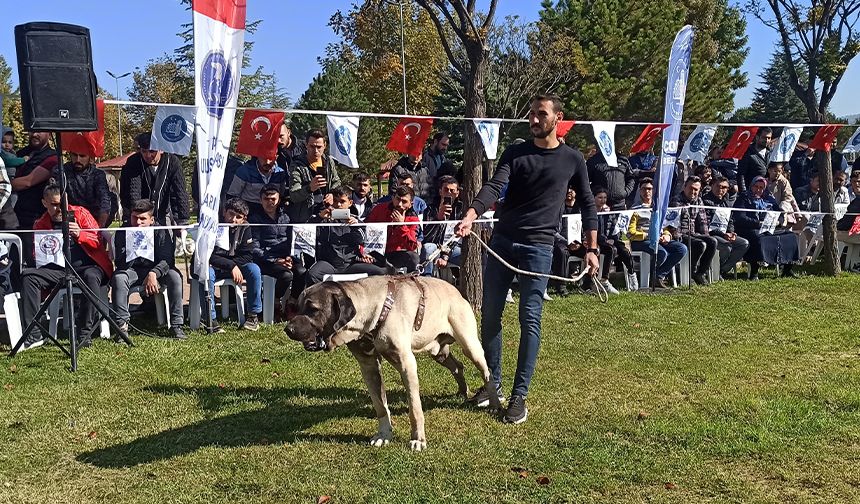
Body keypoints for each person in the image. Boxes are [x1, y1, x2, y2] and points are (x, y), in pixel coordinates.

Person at [454, 94, 600, 425]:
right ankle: (493, 384)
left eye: (541, 114)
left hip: (539, 248)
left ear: (557, 118)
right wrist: (472, 213)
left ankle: (519, 396)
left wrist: (592, 248)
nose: (534, 120)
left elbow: (588, 204)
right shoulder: (516, 152)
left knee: (529, 319)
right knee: (490, 316)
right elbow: (494, 186)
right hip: (503, 242)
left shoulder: (572, 159)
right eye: (531, 114)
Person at [19, 184, 112, 350]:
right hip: (59, 270)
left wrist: (80, 234)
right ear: (44, 203)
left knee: (91, 277)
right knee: (29, 276)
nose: (59, 208)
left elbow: (99, 240)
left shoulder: (80, 213)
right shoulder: (41, 224)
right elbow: (35, 255)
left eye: (62, 204)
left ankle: (84, 333)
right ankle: (33, 335)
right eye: (54, 204)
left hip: (88, 265)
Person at [112, 199, 185, 340]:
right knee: (119, 278)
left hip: (156, 270)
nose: (138, 222)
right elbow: (120, 263)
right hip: (132, 270)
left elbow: (167, 260)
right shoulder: (122, 232)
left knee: (175, 277)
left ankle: (177, 325)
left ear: (152, 220)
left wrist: (153, 273)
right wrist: (134, 248)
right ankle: (122, 326)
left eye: (142, 219)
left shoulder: (161, 231)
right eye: (135, 218)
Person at [198, 198, 262, 332]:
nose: (233, 220)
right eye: (231, 214)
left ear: (244, 219)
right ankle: (210, 318)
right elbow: (207, 255)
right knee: (207, 274)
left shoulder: (246, 228)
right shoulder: (212, 225)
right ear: (224, 212)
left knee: (254, 269)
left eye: (239, 217)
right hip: (213, 266)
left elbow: (248, 255)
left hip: (235, 266)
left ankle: (253, 315)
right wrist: (231, 266)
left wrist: (233, 265)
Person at [304, 186, 387, 286]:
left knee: (380, 273)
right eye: (335, 201)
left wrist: (356, 226)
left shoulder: (357, 222)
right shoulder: (323, 219)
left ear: (350, 203)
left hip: (351, 264)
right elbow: (306, 232)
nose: (338, 204)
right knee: (312, 274)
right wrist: (319, 218)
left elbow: (362, 241)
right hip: (329, 264)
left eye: (342, 201)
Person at [733, 176, 799, 280]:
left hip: (770, 228)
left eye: (761, 187)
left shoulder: (769, 198)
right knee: (758, 239)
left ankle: (787, 269)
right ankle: (754, 271)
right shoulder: (744, 198)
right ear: (751, 186)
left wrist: (779, 221)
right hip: (750, 228)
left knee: (790, 236)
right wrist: (758, 223)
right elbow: (740, 217)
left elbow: (780, 213)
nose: (758, 190)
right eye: (756, 187)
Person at [120, 132, 190, 228]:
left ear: (161, 150)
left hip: (163, 214)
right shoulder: (133, 162)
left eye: (152, 151)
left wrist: (182, 220)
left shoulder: (173, 162)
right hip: (138, 218)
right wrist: (141, 218)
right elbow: (133, 193)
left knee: (165, 241)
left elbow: (180, 192)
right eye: (144, 151)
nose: (148, 155)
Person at [628, 178, 688, 289]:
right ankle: (651, 276)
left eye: (650, 189)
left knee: (682, 248)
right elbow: (630, 232)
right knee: (662, 253)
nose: (647, 192)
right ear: (639, 191)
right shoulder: (634, 209)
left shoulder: (659, 208)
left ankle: (658, 275)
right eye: (644, 189)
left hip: (659, 238)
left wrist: (667, 235)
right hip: (641, 240)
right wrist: (647, 236)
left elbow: (664, 226)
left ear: (654, 190)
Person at [249, 184, 297, 316]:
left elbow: (292, 240)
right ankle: (273, 302)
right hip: (265, 260)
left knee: (302, 272)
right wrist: (275, 260)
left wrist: (289, 256)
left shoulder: (286, 217)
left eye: (273, 199)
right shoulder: (254, 219)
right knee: (286, 275)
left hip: (286, 257)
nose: (270, 202)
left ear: (279, 200)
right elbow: (254, 248)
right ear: (260, 200)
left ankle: (291, 303)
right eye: (266, 199)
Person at [12, 132, 58, 263]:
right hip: (13, 217)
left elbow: (28, 182)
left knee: (33, 261)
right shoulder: (20, 153)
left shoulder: (52, 157)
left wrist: (4, 184)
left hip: (34, 220)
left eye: (40, 130)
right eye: (32, 130)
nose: (35, 134)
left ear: (49, 134)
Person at [670, 176, 718, 285]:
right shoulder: (676, 200)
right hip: (680, 234)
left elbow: (703, 222)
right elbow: (675, 224)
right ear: (684, 187)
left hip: (694, 234)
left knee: (712, 241)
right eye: (691, 188)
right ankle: (690, 273)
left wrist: (706, 236)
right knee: (700, 245)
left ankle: (700, 273)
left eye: (696, 189)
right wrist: (677, 237)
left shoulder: (699, 200)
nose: (693, 191)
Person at [289, 130, 341, 223]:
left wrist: (332, 194)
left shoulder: (329, 161)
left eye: (319, 147)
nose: (316, 151)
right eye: (312, 146)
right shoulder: (296, 165)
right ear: (306, 145)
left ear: (325, 145)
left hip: (327, 214)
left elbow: (336, 182)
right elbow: (294, 196)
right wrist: (309, 188)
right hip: (306, 217)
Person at [701, 176, 749, 278]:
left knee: (744, 243)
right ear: (712, 185)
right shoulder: (705, 202)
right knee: (726, 246)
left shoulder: (725, 202)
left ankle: (722, 270)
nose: (720, 189)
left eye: (724, 187)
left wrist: (731, 232)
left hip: (724, 234)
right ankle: (715, 271)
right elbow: (707, 224)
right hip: (710, 234)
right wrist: (723, 234)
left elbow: (730, 220)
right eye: (718, 186)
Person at [367, 185, 422, 272]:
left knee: (413, 257)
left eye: (404, 201)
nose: (399, 204)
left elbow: (412, 246)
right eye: (398, 199)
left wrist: (402, 225)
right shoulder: (379, 209)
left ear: (410, 204)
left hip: (396, 253)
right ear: (393, 198)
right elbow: (366, 229)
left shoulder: (413, 219)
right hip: (375, 251)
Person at [592, 187, 635, 293]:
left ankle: (632, 274)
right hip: (596, 240)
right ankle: (605, 280)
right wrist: (604, 239)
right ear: (594, 198)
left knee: (623, 250)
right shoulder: (590, 212)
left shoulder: (609, 212)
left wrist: (612, 238)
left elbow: (614, 228)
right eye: (600, 197)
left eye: (605, 198)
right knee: (611, 250)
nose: (603, 200)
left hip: (610, 239)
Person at [420, 175, 463, 277]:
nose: (449, 193)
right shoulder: (430, 209)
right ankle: (427, 281)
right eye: (446, 189)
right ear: (440, 191)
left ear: (457, 193)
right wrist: (438, 217)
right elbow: (427, 236)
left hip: (454, 247)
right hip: (435, 246)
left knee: (470, 255)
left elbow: (459, 237)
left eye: (452, 190)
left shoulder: (462, 209)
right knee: (428, 248)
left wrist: (445, 256)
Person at [61, 150, 112, 227]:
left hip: (93, 220)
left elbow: (104, 201)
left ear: (90, 158)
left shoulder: (97, 174)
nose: (78, 160)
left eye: (82, 156)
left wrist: (100, 228)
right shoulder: (62, 172)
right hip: (69, 218)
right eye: (74, 155)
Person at [737, 127, 772, 193]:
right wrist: (744, 192)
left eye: (769, 138)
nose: (767, 140)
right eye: (764, 137)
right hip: (751, 191)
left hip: (766, 193)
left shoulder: (771, 153)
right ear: (757, 137)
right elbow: (741, 174)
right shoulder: (747, 153)